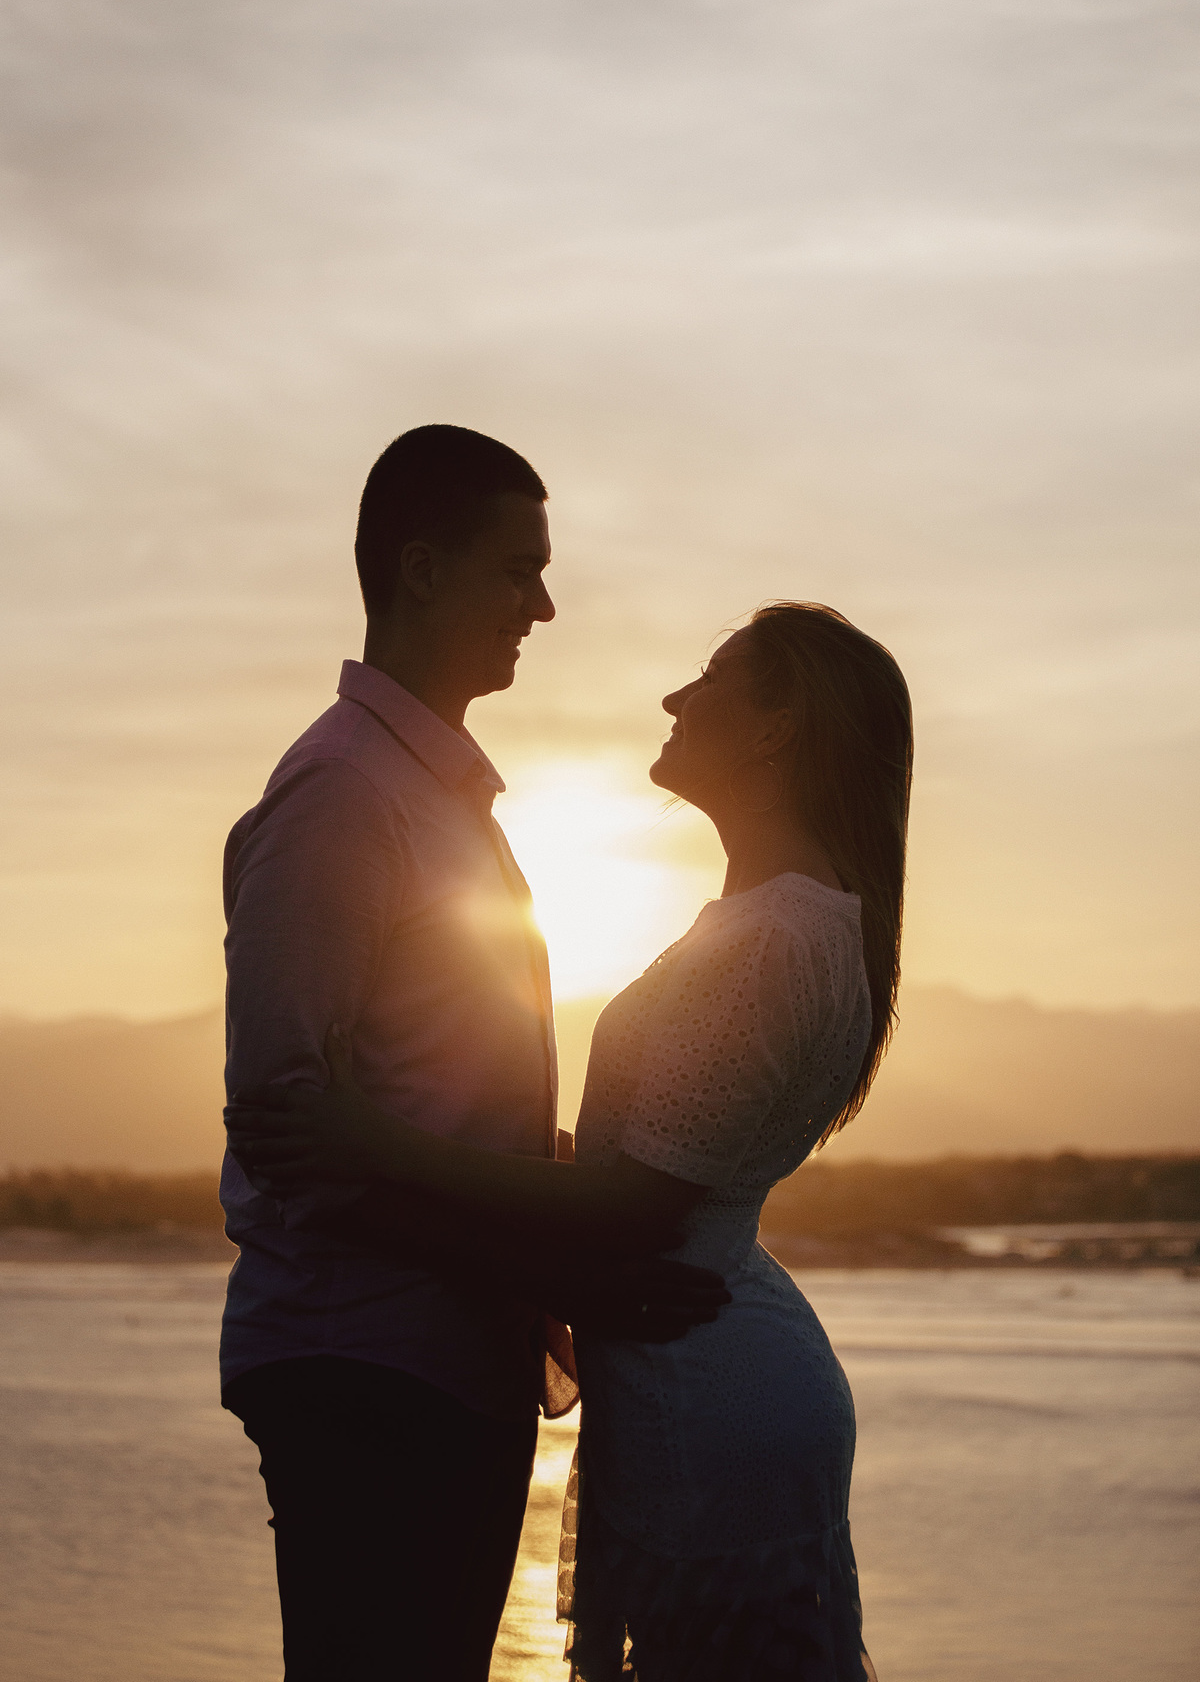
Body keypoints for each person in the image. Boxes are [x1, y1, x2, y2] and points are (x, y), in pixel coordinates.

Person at [228, 598, 913, 1682]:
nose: (676, 697)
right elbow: (643, 1166)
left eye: (714, 675)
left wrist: (368, 1141)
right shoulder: (783, 922)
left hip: (713, 1396)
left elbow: (634, 1207)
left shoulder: (777, 937)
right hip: (705, 1361)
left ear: (779, 727)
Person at [219, 423, 729, 1682]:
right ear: (421, 568)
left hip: (451, 1362)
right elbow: (290, 1134)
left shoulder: (439, 798)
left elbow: (429, 1105)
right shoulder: (344, 798)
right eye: (519, 569)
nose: (543, 605)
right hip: (366, 1366)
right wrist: (554, 1263)